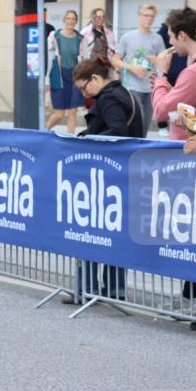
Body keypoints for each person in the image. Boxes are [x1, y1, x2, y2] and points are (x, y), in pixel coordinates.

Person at [65, 56, 141, 305]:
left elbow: (117, 131)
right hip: (123, 174)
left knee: (90, 230)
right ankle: (112, 289)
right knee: (112, 232)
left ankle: (87, 288)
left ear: (95, 79)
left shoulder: (108, 98)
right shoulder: (124, 93)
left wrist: (87, 140)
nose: (84, 94)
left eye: (83, 88)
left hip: (106, 175)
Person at [112, 4, 165, 135]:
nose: (149, 19)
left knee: (145, 127)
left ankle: (139, 153)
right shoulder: (127, 37)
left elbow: (164, 63)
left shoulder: (157, 39)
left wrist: (157, 61)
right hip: (131, 87)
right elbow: (115, 60)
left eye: (152, 16)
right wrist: (132, 67)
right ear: (139, 16)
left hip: (150, 89)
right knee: (137, 123)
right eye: (146, 15)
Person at [153, 7, 196, 143]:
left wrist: (161, 74)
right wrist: (173, 91)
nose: (170, 42)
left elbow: (160, 112)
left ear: (182, 36)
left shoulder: (192, 72)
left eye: (171, 37)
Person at [45, 10, 86, 133]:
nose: (70, 21)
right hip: (59, 76)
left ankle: (70, 140)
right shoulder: (55, 36)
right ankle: (45, 131)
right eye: (68, 18)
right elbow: (49, 59)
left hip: (75, 76)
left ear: (76, 21)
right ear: (64, 20)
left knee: (73, 111)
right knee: (59, 113)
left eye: (73, 19)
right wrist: (47, 79)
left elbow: (85, 60)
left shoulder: (80, 38)